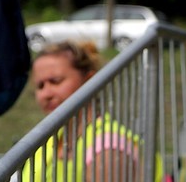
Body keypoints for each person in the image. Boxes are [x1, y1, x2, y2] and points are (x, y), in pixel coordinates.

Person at [24, 41, 160, 182]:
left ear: (89, 81)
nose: (46, 94)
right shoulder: (44, 144)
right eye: (40, 86)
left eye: (56, 81)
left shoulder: (109, 147)